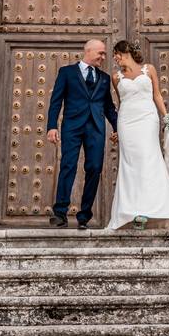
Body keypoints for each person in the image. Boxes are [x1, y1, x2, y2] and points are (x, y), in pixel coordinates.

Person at [106, 40, 169, 230]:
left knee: (149, 159)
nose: (115, 58)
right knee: (129, 164)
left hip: (147, 119)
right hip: (126, 122)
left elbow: (157, 95)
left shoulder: (149, 69)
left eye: (117, 54)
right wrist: (117, 130)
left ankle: (153, 207)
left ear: (126, 52)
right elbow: (121, 103)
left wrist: (168, 119)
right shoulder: (116, 77)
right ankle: (133, 211)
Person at [46, 39, 118, 229]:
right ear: (88, 51)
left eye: (104, 54)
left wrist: (118, 128)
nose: (103, 57)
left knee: (94, 168)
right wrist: (52, 126)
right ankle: (60, 212)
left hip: (96, 128)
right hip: (72, 126)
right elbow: (56, 101)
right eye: (101, 53)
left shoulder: (104, 77)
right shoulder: (66, 72)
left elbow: (109, 107)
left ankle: (84, 216)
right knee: (68, 166)